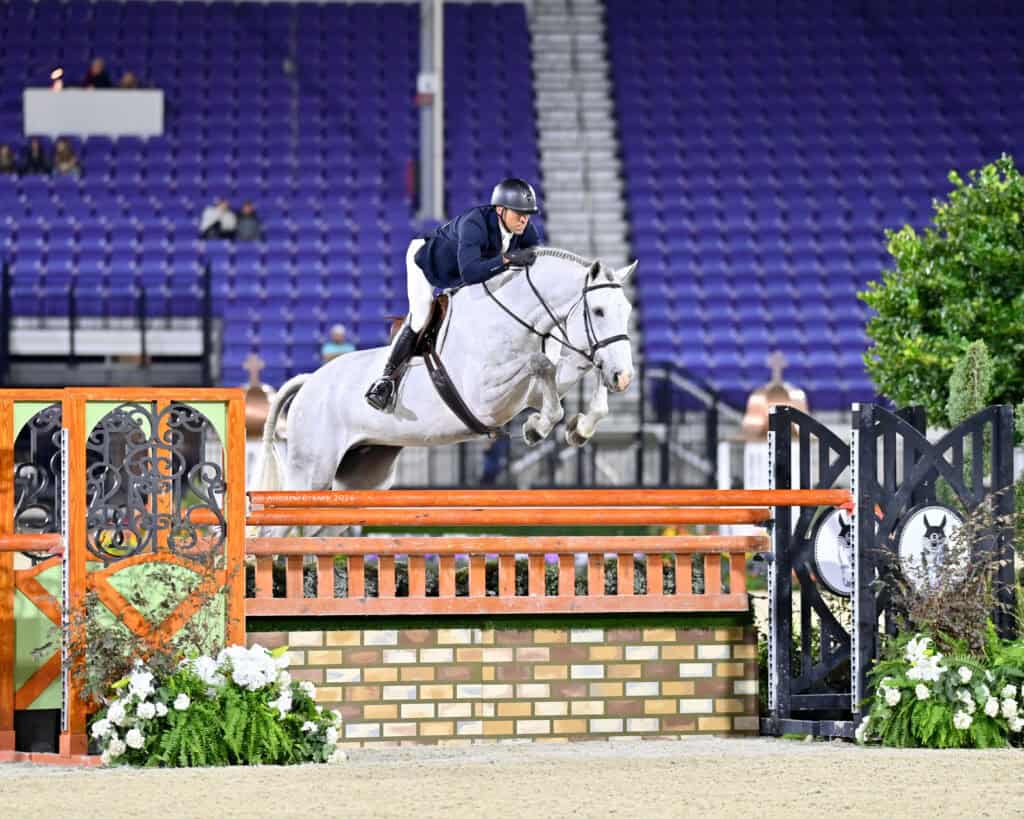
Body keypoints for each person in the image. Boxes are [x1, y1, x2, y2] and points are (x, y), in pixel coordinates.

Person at [365, 177, 542, 412]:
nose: (524, 219)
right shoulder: (475, 223)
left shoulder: (525, 230)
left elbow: (536, 262)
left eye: (527, 214)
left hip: (461, 276)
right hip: (428, 265)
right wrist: (507, 259)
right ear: (500, 210)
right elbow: (470, 272)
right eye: (518, 213)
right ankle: (385, 381)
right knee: (420, 318)